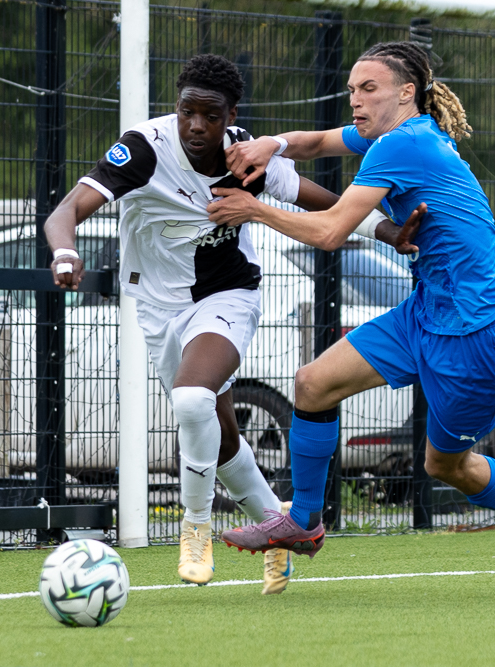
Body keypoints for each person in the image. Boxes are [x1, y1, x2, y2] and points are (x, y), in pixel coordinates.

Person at [44, 54, 413, 594]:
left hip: (228, 295)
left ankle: (195, 528)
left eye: (210, 116)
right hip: (156, 306)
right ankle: (278, 529)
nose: (196, 125)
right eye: (187, 112)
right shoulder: (144, 148)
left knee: (192, 399)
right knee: (218, 435)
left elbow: (324, 202)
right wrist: (64, 254)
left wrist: (388, 232)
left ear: (231, 116)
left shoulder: (246, 157)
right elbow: (65, 212)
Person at [210, 41, 495, 562]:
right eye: (352, 89)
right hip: (424, 314)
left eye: (368, 88)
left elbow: (331, 232)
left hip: (477, 335)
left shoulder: (401, 145)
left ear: (406, 93)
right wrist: (272, 143)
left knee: (445, 466)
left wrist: (254, 209)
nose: (355, 99)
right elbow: (317, 142)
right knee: (313, 384)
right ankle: (303, 523)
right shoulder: (396, 135)